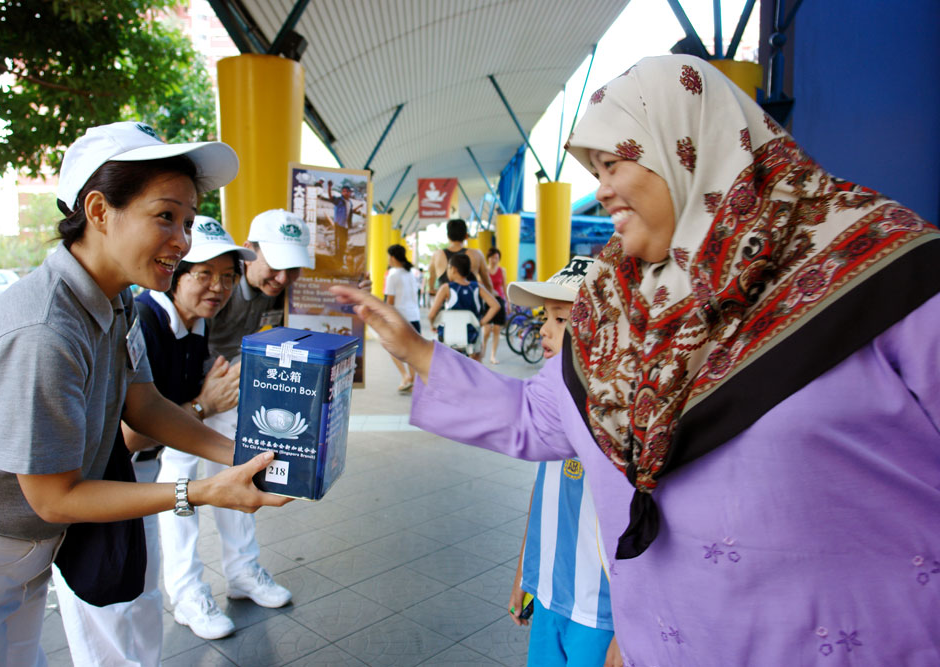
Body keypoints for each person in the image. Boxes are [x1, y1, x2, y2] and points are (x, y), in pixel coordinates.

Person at [331, 55, 940, 665]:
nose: (601, 189)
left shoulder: (883, 270)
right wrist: (411, 348)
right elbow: (533, 417)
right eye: (594, 169)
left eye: (614, 162)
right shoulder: (609, 314)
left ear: (689, 144)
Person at [0, 121, 291, 666]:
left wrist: (243, 457)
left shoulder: (115, 301)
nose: (183, 240)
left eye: (189, 221)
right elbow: (54, 498)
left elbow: (145, 405)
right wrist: (201, 492)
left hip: (28, 551)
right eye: (166, 216)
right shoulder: (44, 330)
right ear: (99, 211)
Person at [52, 216, 256, 663]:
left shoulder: (194, 325)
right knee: (106, 608)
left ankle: (190, 597)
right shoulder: (137, 319)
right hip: (97, 487)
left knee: (143, 594)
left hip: (143, 478)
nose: (217, 288)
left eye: (227, 277)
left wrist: (244, 457)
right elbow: (127, 434)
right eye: (203, 274)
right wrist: (203, 406)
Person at [155, 208, 313, 639]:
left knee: (242, 474)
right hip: (185, 405)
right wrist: (202, 401)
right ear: (252, 253)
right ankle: (186, 590)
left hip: (225, 402)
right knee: (179, 488)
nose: (282, 277)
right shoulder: (162, 312)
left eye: (292, 268)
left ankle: (242, 570)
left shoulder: (271, 294)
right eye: (275, 264)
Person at [502, 256, 617, 667]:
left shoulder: (624, 422)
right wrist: (524, 574)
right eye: (546, 317)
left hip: (601, 613)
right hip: (549, 595)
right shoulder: (554, 409)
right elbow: (543, 495)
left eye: (562, 319)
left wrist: (628, 628)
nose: (546, 331)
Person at [427, 253, 499, 360]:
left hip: (449, 336)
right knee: (477, 354)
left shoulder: (446, 288)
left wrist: (433, 325)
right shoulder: (477, 287)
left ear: (453, 269)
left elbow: (431, 314)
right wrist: (481, 323)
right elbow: (495, 306)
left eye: (448, 268)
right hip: (471, 337)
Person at [383, 243, 421, 392]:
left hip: (400, 318)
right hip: (414, 317)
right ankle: (413, 382)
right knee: (411, 351)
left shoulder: (393, 274)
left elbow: (390, 301)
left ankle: (405, 376)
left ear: (392, 257)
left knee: (390, 346)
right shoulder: (410, 273)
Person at [428, 218, 494, 297]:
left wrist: (432, 289)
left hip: (445, 305)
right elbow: (487, 282)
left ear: (448, 236)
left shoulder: (437, 255)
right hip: (470, 305)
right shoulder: (477, 254)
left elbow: (431, 279)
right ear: (466, 236)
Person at [481, 246, 508, 364]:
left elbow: (505, 286)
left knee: (496, 330)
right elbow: (480, 286)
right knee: (486, 331)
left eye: (496, 257)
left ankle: (493, 356)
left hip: (499, 301)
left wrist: (508, 303)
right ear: (488, 258)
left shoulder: (502, 271)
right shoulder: (484, 271)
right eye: (492, 257)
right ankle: (482, 353)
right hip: (487, 301)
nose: (494, 260)